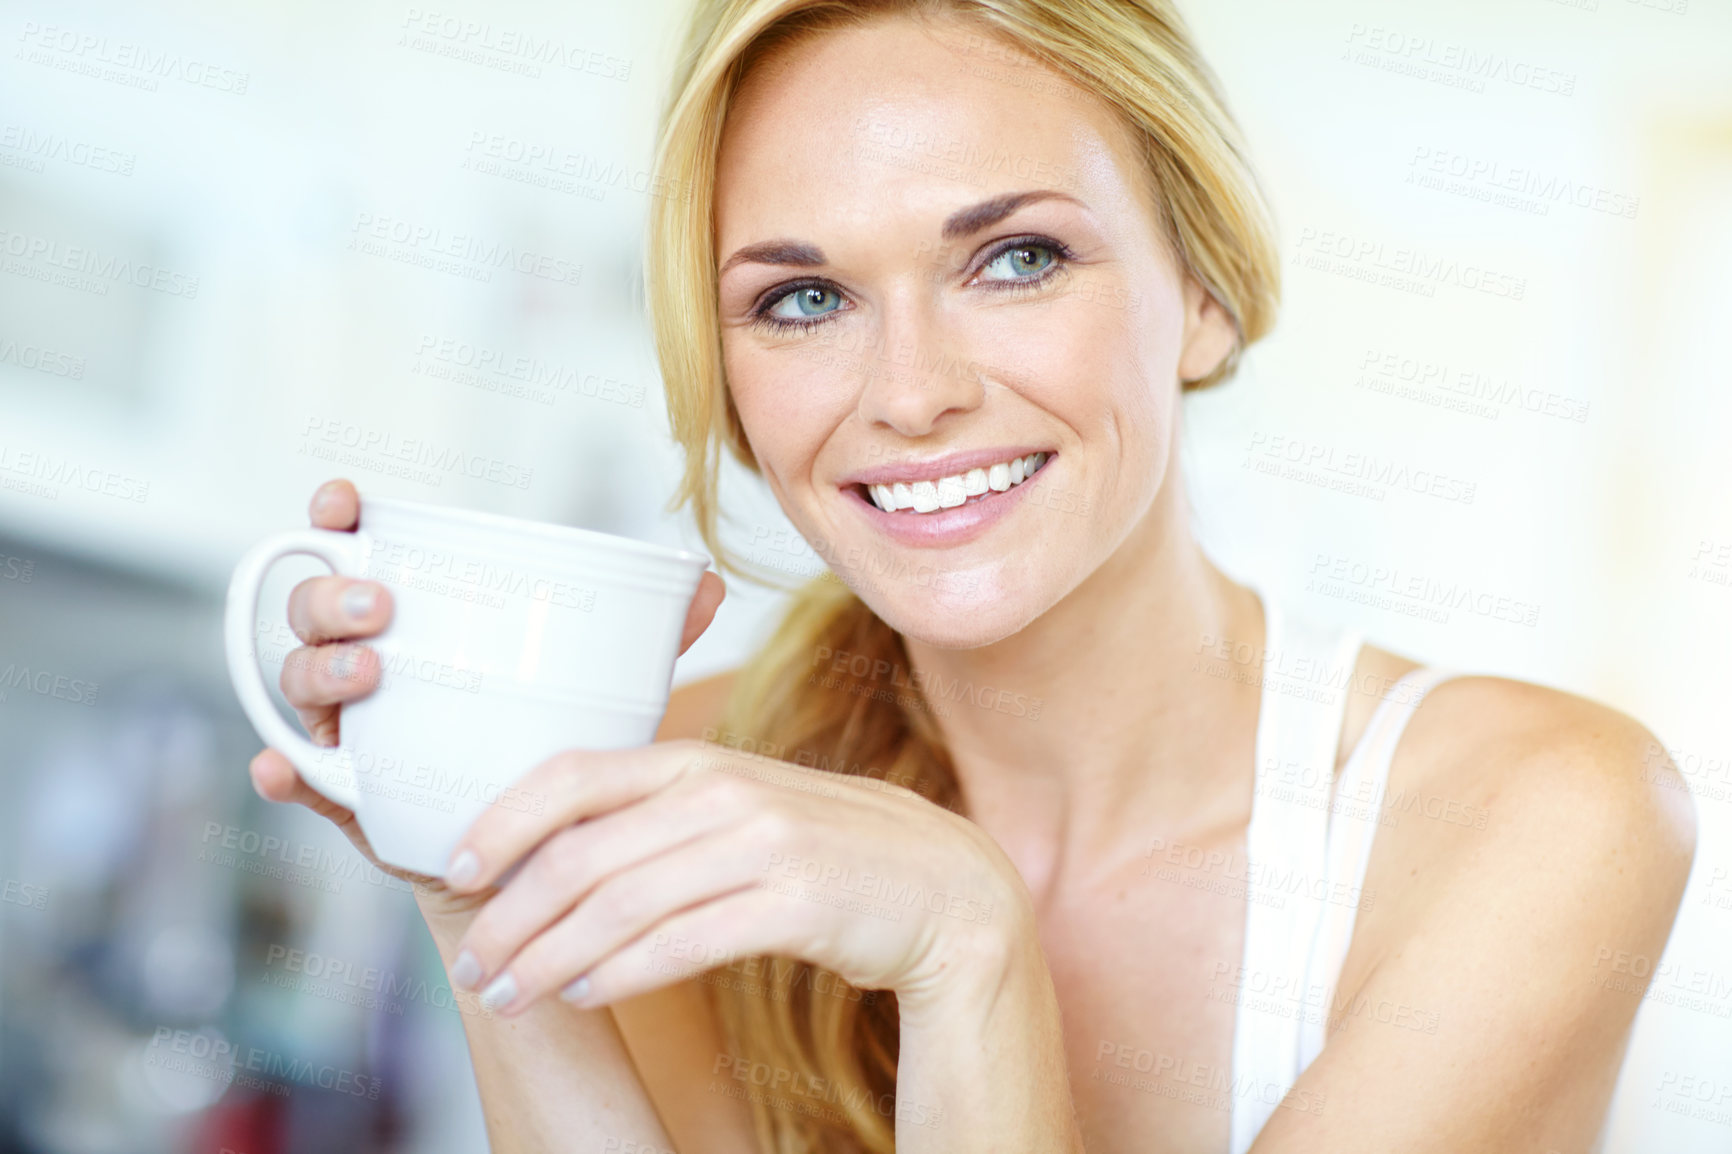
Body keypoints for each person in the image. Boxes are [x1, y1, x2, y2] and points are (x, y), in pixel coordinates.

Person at [247, 2, 1697, 1151]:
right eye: (803, 299)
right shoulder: (689, 787)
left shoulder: (1538, 818)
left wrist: (968, 943)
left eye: (1013, 259)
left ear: (1200, 292)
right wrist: (475, 872)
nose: (913, 393)